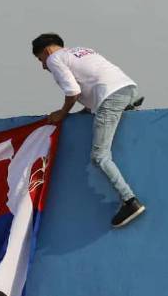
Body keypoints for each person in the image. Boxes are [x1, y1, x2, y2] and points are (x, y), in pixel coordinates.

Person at [31, 33, 146, 228]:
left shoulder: (54, 59)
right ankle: (127, 106)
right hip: (128, 89)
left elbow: (73, 92)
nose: (43, 66)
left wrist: (62, 113)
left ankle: (130, 201)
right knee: (104, 122)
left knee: (99, 156)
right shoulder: (80, 51)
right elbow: (94, 80)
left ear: (46, 51)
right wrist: (86, 109)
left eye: (40, 59)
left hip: (111, 98)